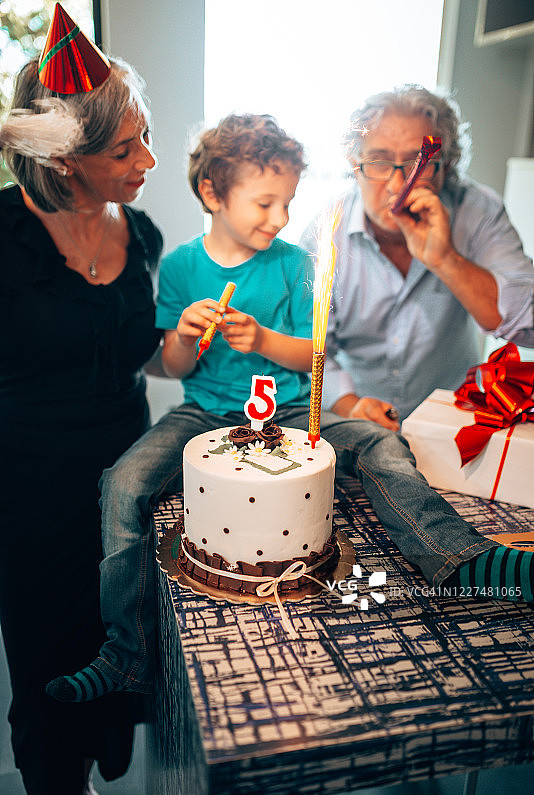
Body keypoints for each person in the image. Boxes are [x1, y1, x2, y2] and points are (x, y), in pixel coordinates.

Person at [47, 112, 534, 711]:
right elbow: (171, 368)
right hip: (206, 414)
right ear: (212, 194)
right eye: (265, 204)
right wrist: (185, 335)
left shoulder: (293, 265)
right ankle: (128, 654)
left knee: (382, 444)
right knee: (122, 484)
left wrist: (264, 341)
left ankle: (463, 559)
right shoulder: (178, 267)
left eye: (289, 204)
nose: (281, 220)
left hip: (296, 407)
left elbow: (315, 354)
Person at [0, 8, 162, 795]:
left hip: (128, 480)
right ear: (67, 161)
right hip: (29, 491)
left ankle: (103, 754)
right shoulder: (1, 240)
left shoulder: (149, 237)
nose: (150, 161)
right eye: (126, 149)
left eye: (145, 136)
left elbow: (145, 353)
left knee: (125, 636)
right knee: (47, 661)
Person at [300, 85, 534, 430]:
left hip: (454, 420)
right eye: (378, 161)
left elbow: (529, 324)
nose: (397, 185)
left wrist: (446, 259)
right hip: (356, 422)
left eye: (416, 163)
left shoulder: (478, 211)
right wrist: (349, 404)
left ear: (446, 166)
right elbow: (304, 344)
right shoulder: (325, 233)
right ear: (355, 164)